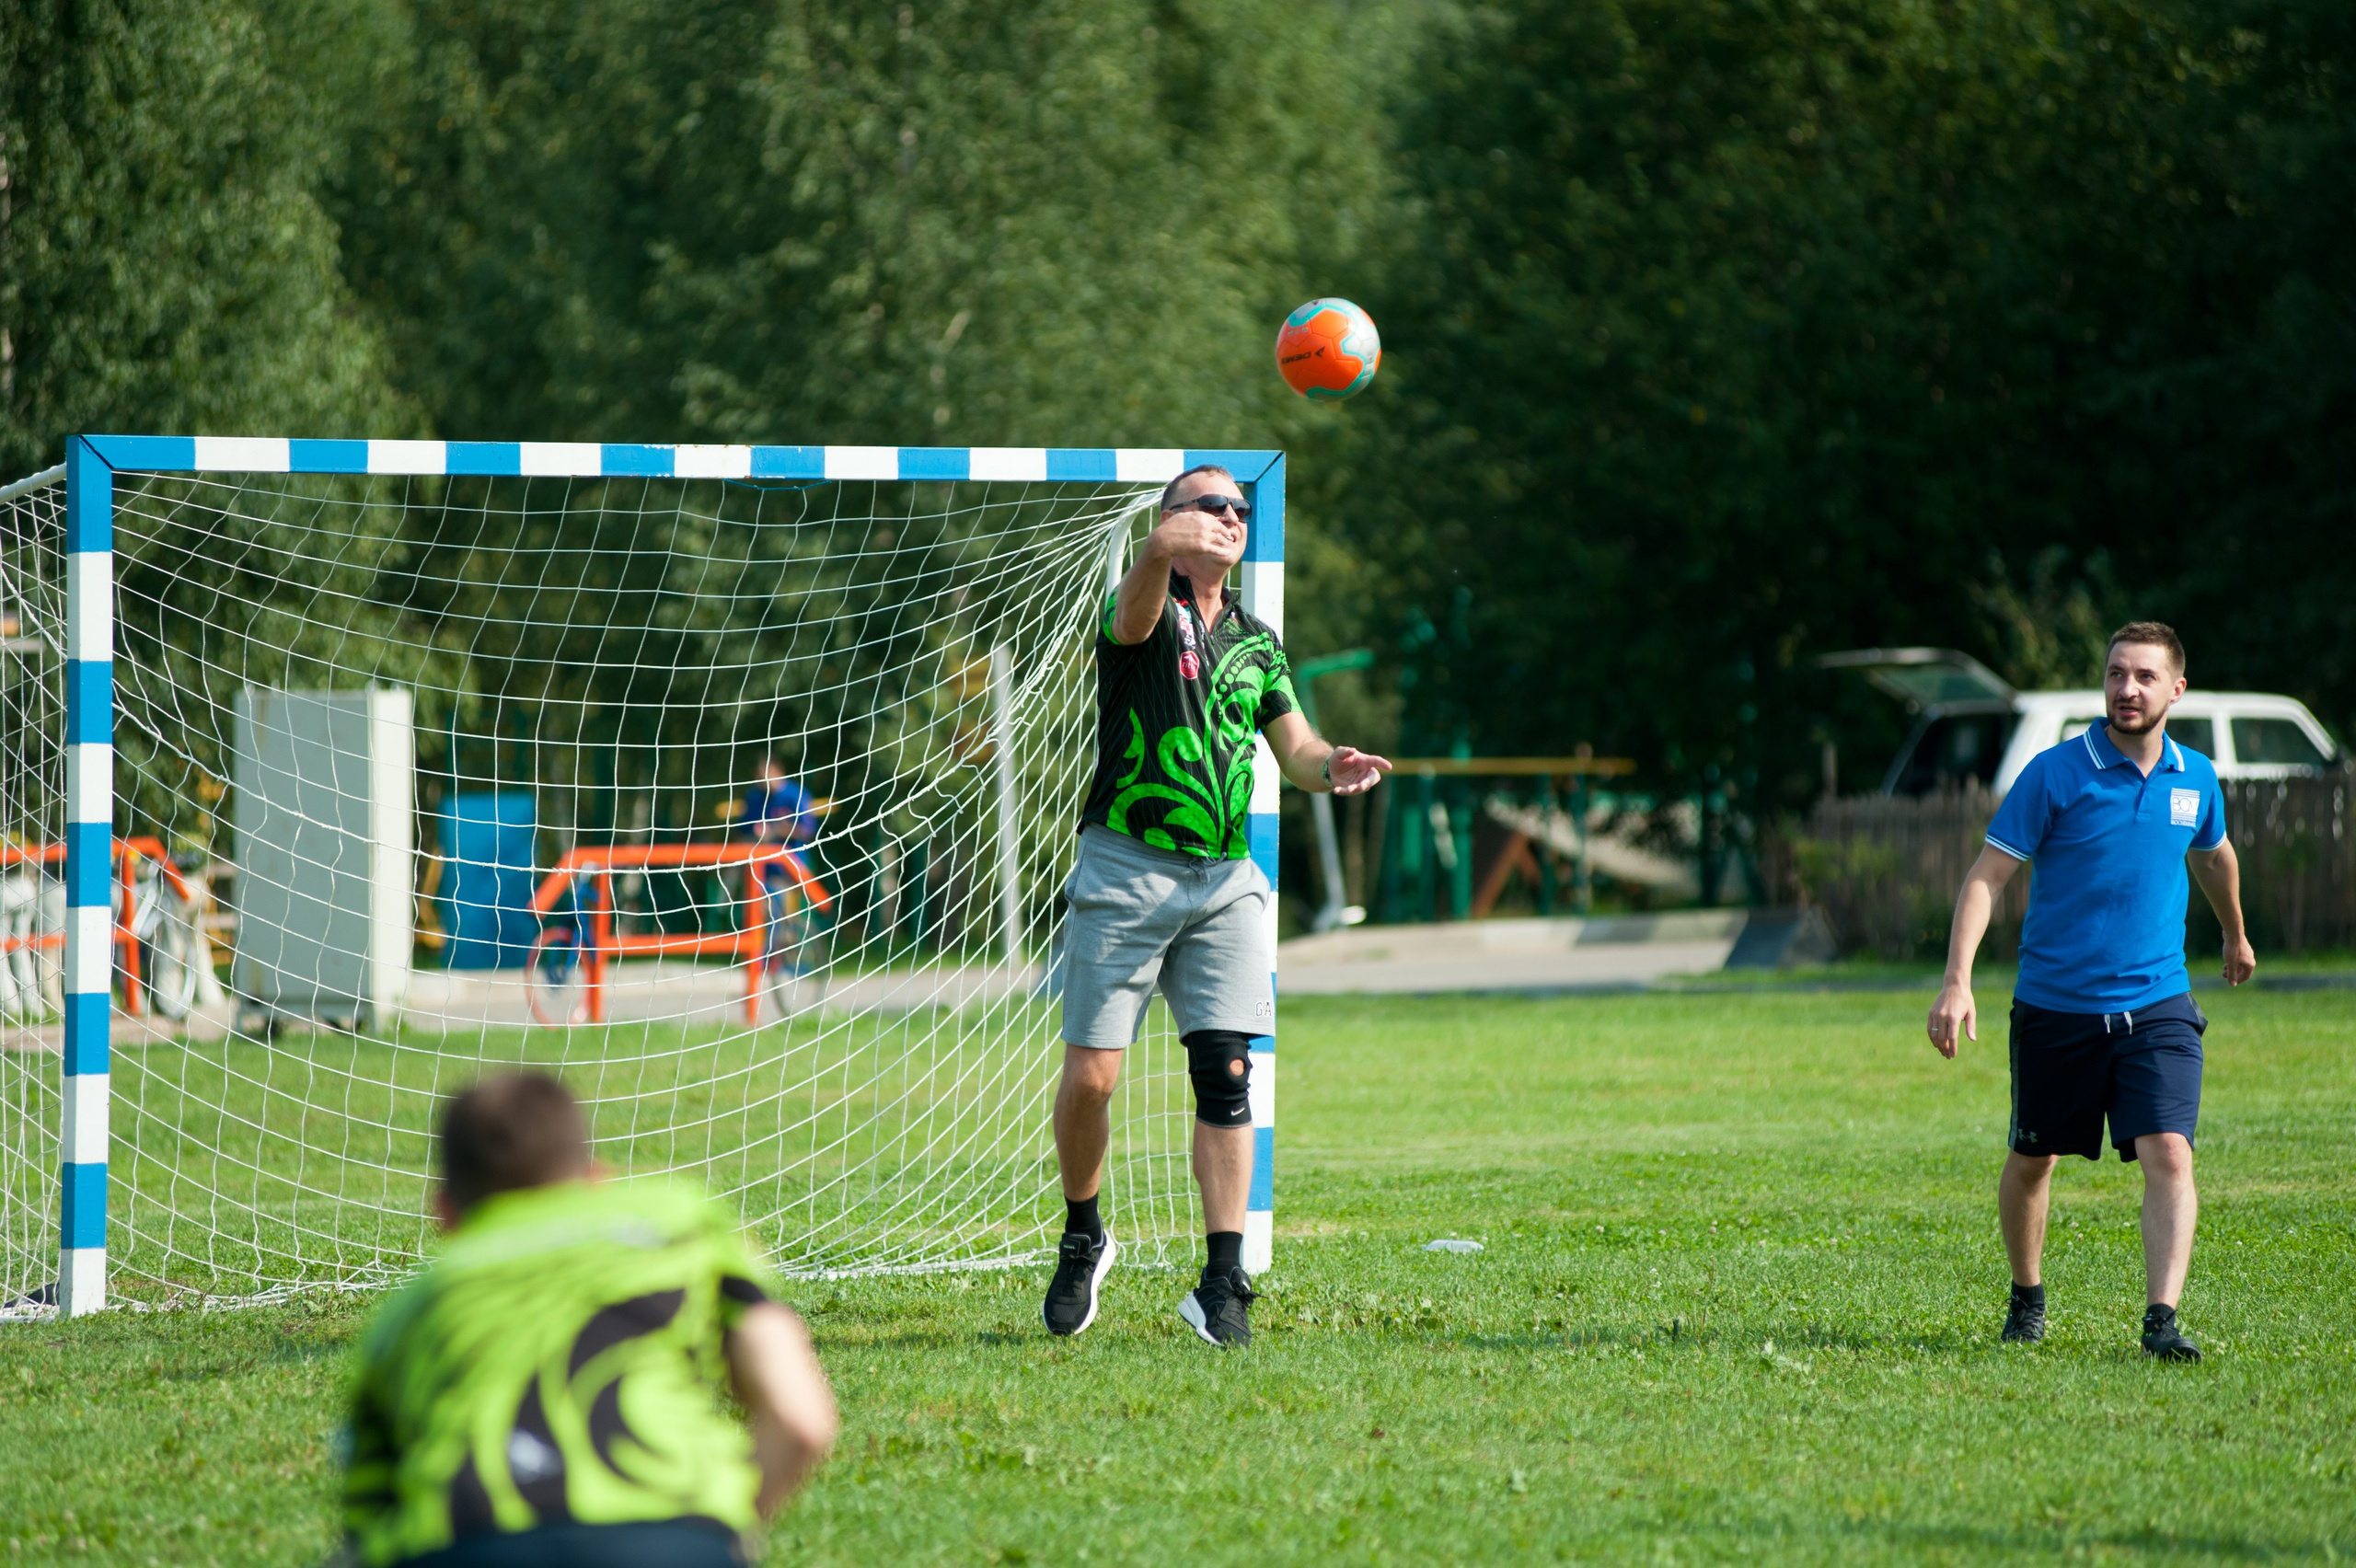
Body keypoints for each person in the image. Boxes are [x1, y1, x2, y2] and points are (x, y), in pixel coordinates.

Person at [1044, 463, 1391, 1347]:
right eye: (1211, 505)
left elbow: (1299, 747)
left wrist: (1330, 768)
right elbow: (1134, 612)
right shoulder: (1141, 615)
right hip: (1126, 867)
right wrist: (1157, 549)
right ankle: (1084, 1234)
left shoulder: (1259, 642)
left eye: (1241, 508)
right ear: (1169, 523)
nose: (1232, 517)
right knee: (1092, 1079)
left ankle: (1222, 1280)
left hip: (1225, 881)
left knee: (1228, 1071)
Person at [341, 1072, 837, 1566]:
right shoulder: (679, 1223)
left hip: (465, 1541)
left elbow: (366, 1525)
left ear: (444, 1215)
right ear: (596, 1178)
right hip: (670, 1534)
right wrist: (722, 1529)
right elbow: (801, 1419)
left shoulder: (404, 1315)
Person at [1926, 622, 2255, 1362]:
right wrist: (1957, 982)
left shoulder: (2195, 776)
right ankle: (2027, 1295)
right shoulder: (2055, 772)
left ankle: (2161, 1320)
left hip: (2159, 1001)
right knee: (2032, 1160)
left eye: (2143, 676)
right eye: (2115, 674)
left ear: (2176, 689)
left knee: (2170, 1150)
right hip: (2057, 1006)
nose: (2126, 689)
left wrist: (2234, 933)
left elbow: (2215, 855)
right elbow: (1987, 877)